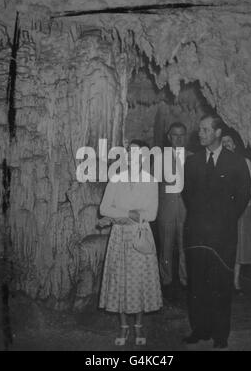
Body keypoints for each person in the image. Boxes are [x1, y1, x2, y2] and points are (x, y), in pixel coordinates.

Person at [183, 114, 251, 349]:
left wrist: (223, 220)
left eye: (204, 130)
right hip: (197, 234)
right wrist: (202, 221)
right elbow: (187, 195)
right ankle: (199, 329)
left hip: (223, 236)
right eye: (200, 130)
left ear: (218, 133)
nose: (199, 133)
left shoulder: (236, 162)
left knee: (221, 284)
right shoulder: (192, 163)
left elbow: (243, 196)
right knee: (197, 284)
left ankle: (221, 334)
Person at [98, 140, 162, 346]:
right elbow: (104, 209)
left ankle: (139, 326)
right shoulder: (116, 179)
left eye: (138, 153)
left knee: (139, 281)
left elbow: (151, 214)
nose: (133, 157)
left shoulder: (151, 181)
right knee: (120, 281)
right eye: (130, 153)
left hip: (140, 236)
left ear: (145, 157)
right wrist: (129, 213)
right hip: (119, 237)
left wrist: (122, 215)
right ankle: (124, 327)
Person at [157, 122, 191, 301]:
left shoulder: (194, 158)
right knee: (166, 246)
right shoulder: (159, 158)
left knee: (186, 245)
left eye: (181, 135)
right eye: (175, 135)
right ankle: (166, 280)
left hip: (186, 209)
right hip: (166, 208)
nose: (178, 138)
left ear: (186, 137)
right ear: (169, 137)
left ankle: (185, 280)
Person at [222, 130, 251, 293]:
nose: (226, 144)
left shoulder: (245, 161)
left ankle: (235, 281)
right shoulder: (216, 163)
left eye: (228, 141)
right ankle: (224, 280)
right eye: (223, 142)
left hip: (241, 209)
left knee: (239, 246)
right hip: (222, 210)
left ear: (234, 144)